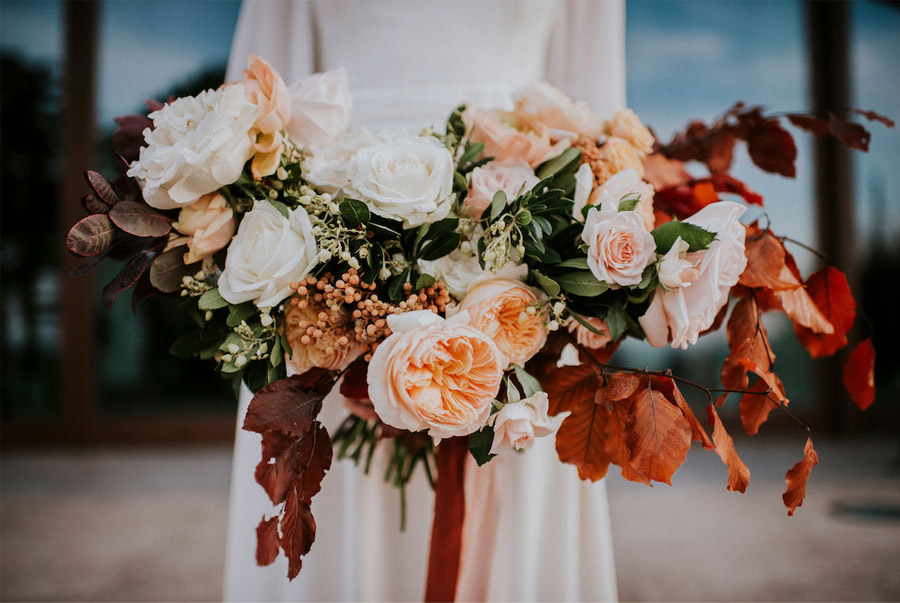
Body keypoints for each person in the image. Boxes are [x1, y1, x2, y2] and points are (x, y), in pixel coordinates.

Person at [223, 1, 624, 600]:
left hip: (525, 224)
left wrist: (597, 250)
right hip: (327, 240)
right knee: (328, 470)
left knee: (512, 447)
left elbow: (597, 109)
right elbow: (258, 95)